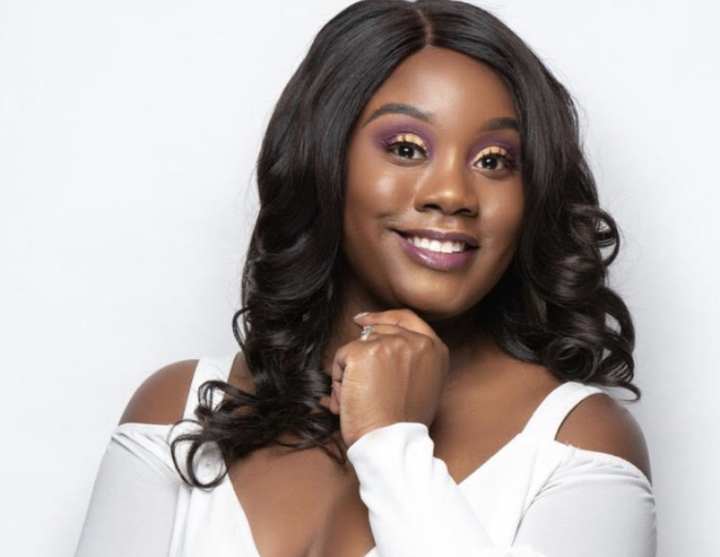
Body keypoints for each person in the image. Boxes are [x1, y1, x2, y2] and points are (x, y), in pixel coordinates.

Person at [74, 0, 657, 555]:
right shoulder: (179, 412)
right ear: (325, 160)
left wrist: (389, 443)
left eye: (494, 161)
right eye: (406, 148)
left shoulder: (576, 440)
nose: (452, 193)